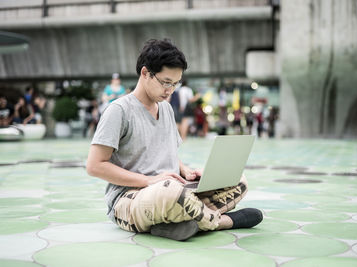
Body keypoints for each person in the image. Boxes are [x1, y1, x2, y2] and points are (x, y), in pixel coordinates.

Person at [86, 39, 262, 241]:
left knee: (238, 180)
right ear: (145, 73)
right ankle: (222, 221)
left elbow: (164, 150)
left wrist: (185, 170)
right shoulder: (119, 110)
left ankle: (179, 223)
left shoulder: (166, 109)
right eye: (165, 82)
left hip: (172, 188)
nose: (170, 90)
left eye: (175, 84)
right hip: (130, 199)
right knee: (172, 194)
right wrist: (148, 181)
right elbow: (94, 166)